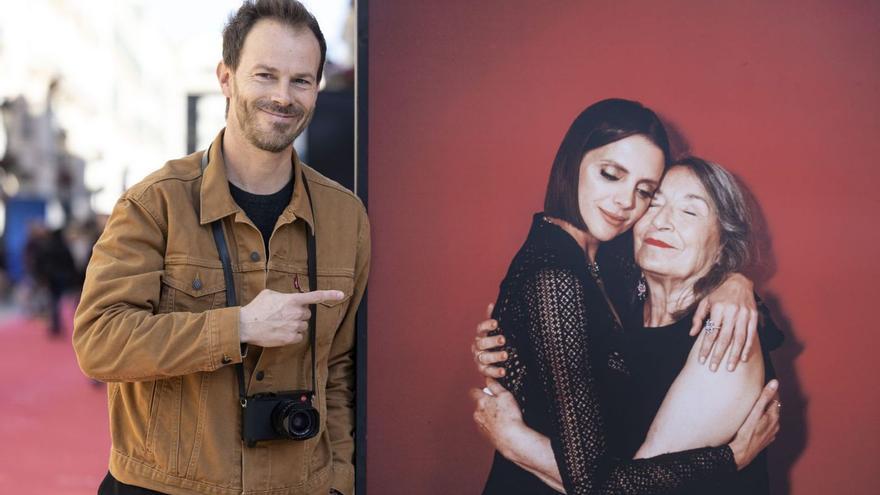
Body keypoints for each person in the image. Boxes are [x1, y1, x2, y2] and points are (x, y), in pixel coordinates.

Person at [73, 1, 369, 494]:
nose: (283, 96)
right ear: (226, 78)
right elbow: (99, 342)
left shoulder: (346, 218)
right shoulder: (154, 204)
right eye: (265, 75)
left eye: (301, 80)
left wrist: (338, 481)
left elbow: (338, 370)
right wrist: (241, 326)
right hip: (164, 486)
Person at [466, 100, 780, 494]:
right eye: (657, 200)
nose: (637, 208)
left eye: (689, 212)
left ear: (722, 244)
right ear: (573, 160)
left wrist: (736, 283)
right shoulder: (583, 277)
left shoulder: (719, 331)